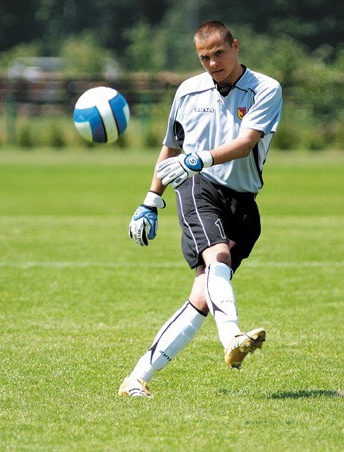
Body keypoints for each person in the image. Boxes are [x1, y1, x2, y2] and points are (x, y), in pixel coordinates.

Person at [119, 20, 282, 397]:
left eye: (219, 54)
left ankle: (136, 379)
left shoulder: (265, 89)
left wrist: (197, 159)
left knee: (202, 298)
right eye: (204, 57)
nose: (212, 63)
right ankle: (232, 338)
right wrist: (151, 200)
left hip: (242, 202)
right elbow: (172, 147)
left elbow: (245, 144)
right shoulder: (188, 91)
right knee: (217, 257)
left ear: (236, 47)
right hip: (197, 187)